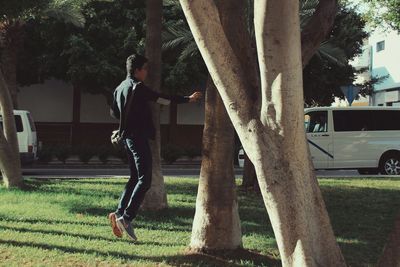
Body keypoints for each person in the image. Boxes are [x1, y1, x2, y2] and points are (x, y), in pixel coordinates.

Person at [108, 54, 202, 241]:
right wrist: (187, 99)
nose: (147, 72)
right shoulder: (138, 87)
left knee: (135, 177)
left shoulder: (120, 88)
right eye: (145, 69)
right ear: (137, 71)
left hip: (126, 139)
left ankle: (119, 212)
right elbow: (161, 98)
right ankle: (126, 218)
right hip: (138, 138)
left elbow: (114, 113)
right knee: (145, 180)